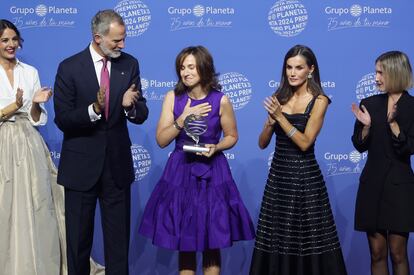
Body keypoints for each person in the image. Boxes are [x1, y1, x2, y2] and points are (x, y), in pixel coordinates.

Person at [139, 45, 255, 275]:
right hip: (180, 173)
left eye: (191, 67)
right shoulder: (173, 97)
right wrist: (182, 119)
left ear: (204, 68)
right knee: (186, 241)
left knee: (212, 242)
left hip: (213, 173)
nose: (185, 72)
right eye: (182, 67)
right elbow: (162, 140)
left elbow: (232, 136)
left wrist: (217, 146)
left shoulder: (221, 100)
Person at [53, 10, 148, 275]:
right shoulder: (69, 67)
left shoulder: (129, 64)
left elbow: (142, 113)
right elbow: (63, 119)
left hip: (116, 168)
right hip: (80, 168)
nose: (123, 45)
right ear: (98, 37)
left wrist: (130, 107)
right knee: (78, 243)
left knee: (118, 245)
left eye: (124, 39)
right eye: (117, 41)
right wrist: (94, 109)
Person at [250, 45, 347, 275]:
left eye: (299, 68)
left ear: (310, 70)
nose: (292, 73)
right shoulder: (279, 97)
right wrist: (270, 122)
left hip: (305, 181)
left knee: (307, 242)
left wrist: (280, 117)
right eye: (289, 67)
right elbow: (262, 143)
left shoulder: (320, 100)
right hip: (278, 180)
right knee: (278, 241)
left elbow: (305, 142)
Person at [0, 19, 62, 275]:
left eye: (14, 39)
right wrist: (14, 106)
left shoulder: (31, 71)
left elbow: (38, 118)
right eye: (5, 40)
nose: (11, 45)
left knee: (37, 204)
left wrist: (36, 103)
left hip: (28, 142)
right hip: (2, 142)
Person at [351, 51, 414, 275]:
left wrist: (394, 126)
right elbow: (359, 146)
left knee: (398, 253)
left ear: (396, 73)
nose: (376, 77)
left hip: (399, 189)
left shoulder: (412, 106)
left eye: (381, 72)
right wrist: (366, 126)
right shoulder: (369, 103)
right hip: (372, 186)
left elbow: (409, 149)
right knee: (377, 252)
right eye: (375, 71)